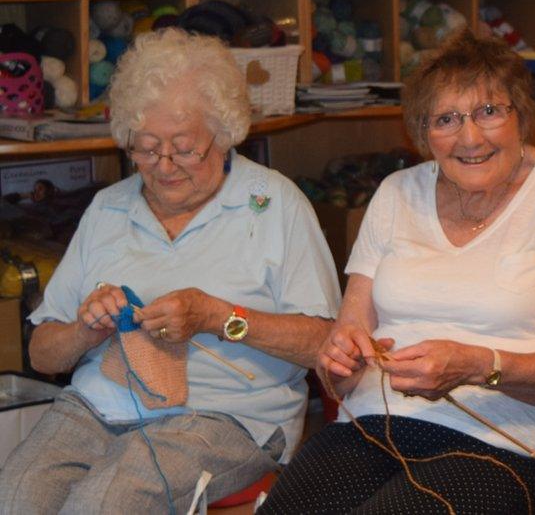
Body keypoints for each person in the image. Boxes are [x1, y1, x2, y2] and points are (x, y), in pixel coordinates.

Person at [260, 29, 535, 514]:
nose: (470, 138)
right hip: (371, 424)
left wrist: (478, 365)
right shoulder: (394, 193)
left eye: (489, 112)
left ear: (521, 116)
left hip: (504, 441)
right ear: (422, 133)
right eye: (445, 119)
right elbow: (344, 356)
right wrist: (339, 361)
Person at [0, 28, 342, 513]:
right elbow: (43, 354)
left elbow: (323, 344)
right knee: (15, 494)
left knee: (104, 503)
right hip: (101, 405)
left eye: (184, 148)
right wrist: (86, 329)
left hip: (225, 415)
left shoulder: (273, 205)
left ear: (223, 135)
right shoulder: (107, 209)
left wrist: (218, 317)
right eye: (145, 147)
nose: (163, 165)